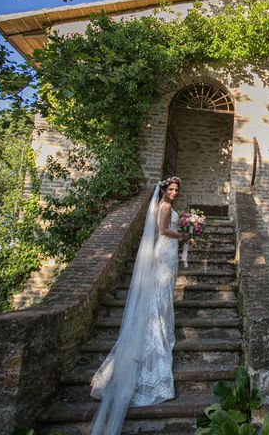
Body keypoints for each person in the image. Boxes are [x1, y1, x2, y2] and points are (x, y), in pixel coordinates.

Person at [89, 176, 189, 435]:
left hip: (167, 254)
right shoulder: (164, 207)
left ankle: (161, 330)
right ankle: (156, 338)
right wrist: (183, 234)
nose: (175, 192)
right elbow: (163, 231)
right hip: (165, 252)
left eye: (177, 189)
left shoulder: (163, 205)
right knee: (160, 297)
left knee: (162, 296)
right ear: (164, 190)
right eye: (171, 189)